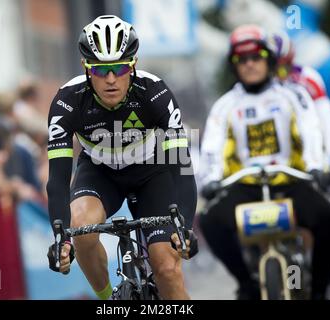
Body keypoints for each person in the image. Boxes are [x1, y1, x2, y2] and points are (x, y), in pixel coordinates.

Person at [46, 15, 197, 300]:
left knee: (166, 266)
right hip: (101, 174)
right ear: (86, 69)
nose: (112, 79)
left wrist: (185, 225)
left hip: (153, 172)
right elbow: (57, 180)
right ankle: (108, 300)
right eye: (101, 71)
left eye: (120, 68)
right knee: (80, 228)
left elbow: (181, 165)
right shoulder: (67, 101)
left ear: (133, 65)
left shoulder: (155, 93)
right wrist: (60, 239)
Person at [198, 25, 330, 300]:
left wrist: (316, 166)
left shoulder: (294, 95)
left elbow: (311, 131)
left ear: (269, 60)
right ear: (234, 65)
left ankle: (320, 291)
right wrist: (211, 179)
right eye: (242, 59)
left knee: (329, 216)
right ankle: (246, 283)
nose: (250, 64)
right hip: (246, 187)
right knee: (210, 220)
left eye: (256, 57)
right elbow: (212, 146)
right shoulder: (225, 105)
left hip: (291, 181)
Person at [271, 29, 330, 170]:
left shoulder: (308, 78)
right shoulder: (260, 85)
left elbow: (326, 118)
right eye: (273, 68)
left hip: (308, 151)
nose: (278, 74)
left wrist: (326, 155)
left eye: (282, 68)